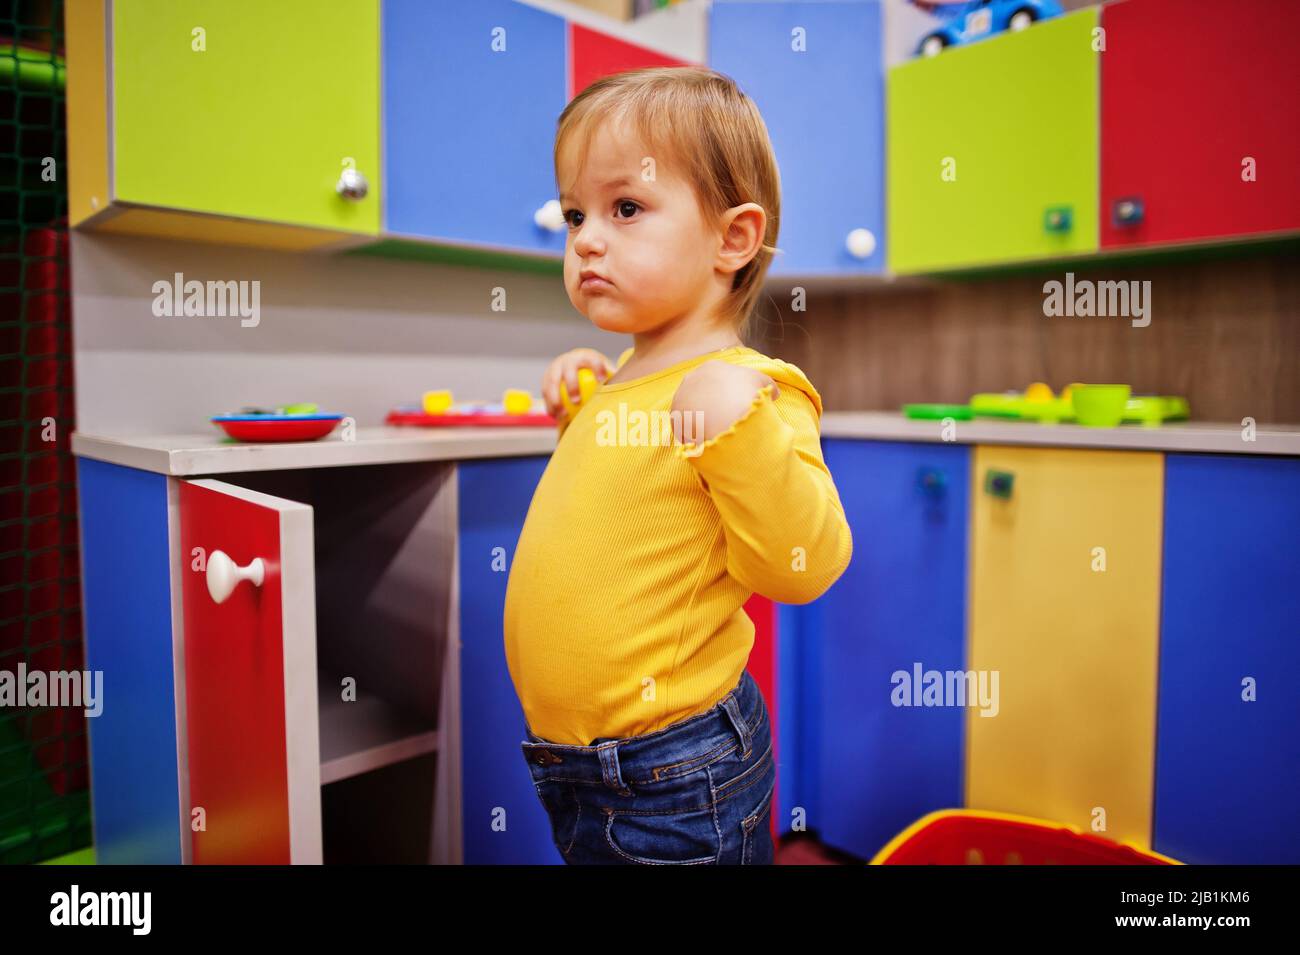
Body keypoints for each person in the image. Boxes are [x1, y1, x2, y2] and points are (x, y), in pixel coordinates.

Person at [503, 66, 853, 864]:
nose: (587, 236)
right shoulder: (626, 378)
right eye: (575, 213)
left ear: (733, 238)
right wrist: (581, 405)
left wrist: (739, 427)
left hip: (677, 775)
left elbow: (807, 565)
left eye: (626, 208)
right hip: (575, 768)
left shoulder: (753, 391)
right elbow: (621, 509)